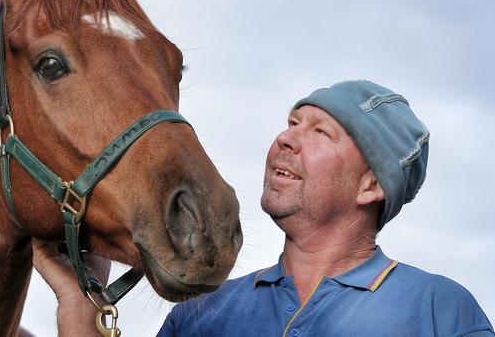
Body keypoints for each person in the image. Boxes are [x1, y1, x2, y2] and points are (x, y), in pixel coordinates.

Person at [33, 80, 494, 336]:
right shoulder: (203, 313)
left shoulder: (440, 312)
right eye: (292, 123)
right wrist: (80, 298)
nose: (285, 138)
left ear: (371, 185)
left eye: (320, 132)